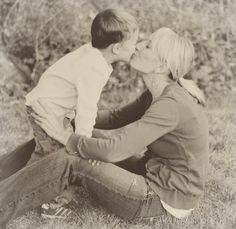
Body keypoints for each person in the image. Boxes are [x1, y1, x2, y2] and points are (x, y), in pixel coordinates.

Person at [0, 27, 209, 228]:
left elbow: (114, 150)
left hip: (159, 198)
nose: (138, 45)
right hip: (149, 171)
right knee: (70, 134)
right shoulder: (157, 93)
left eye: (148, 46)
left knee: (72, 158)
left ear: (161, 66)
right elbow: (115, 118)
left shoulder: (170, 104)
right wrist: (67, 117)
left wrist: (66, 137)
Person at [24, 8, 139, 216]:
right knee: (55, 156)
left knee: (45, 153)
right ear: (116, 48)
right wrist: (84, 144)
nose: (136, 47)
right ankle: (51, 204)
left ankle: (17, 182)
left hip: (50, 105)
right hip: (48, 110)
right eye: (133, 44)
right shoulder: (93, 68)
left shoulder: (93, 53)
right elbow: (87, 107)